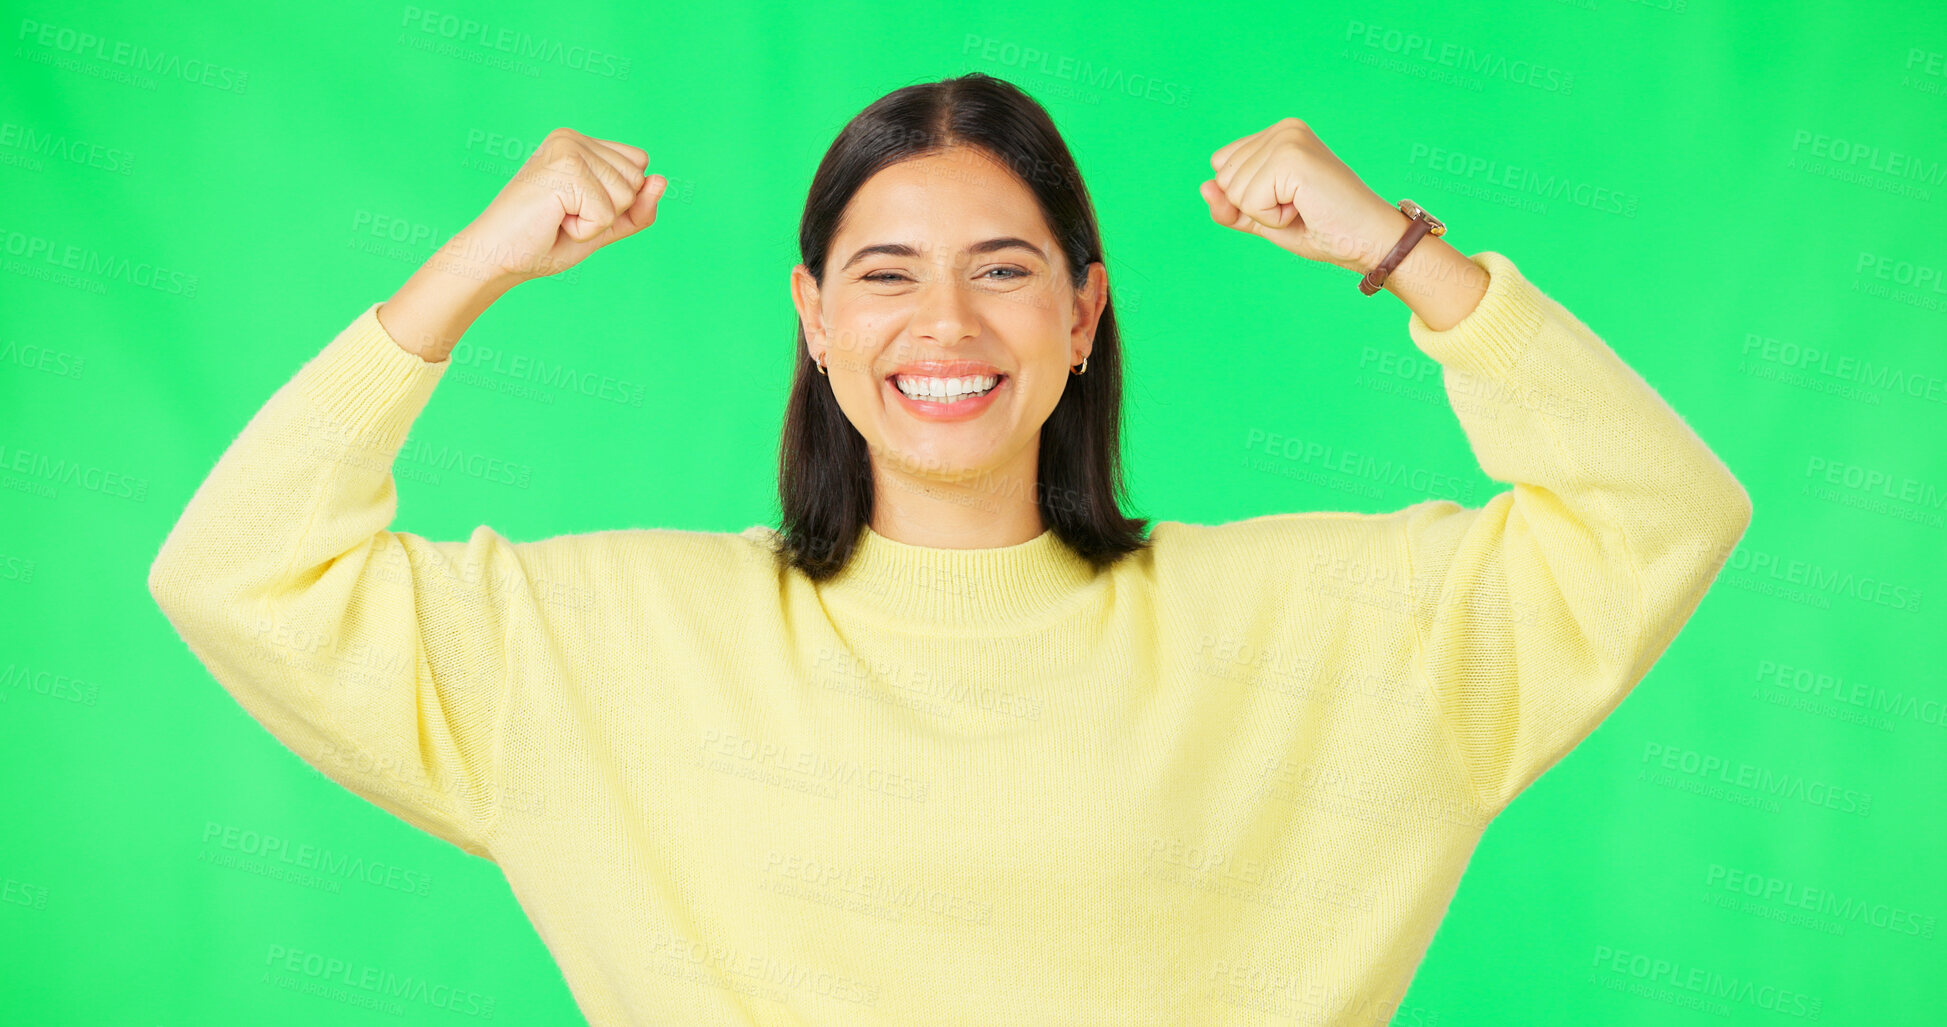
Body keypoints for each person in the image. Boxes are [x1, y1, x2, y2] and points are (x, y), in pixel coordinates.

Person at [148, 72, 1752, 1025]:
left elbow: (1660, 515)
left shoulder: (1316, 622)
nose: (945, 325)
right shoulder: (612, 638)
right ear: (815, 321)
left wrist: (1408, 255)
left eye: (1002, 271)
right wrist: (471, 268)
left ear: (1081, 317)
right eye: (885, 275)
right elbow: (239, 572)